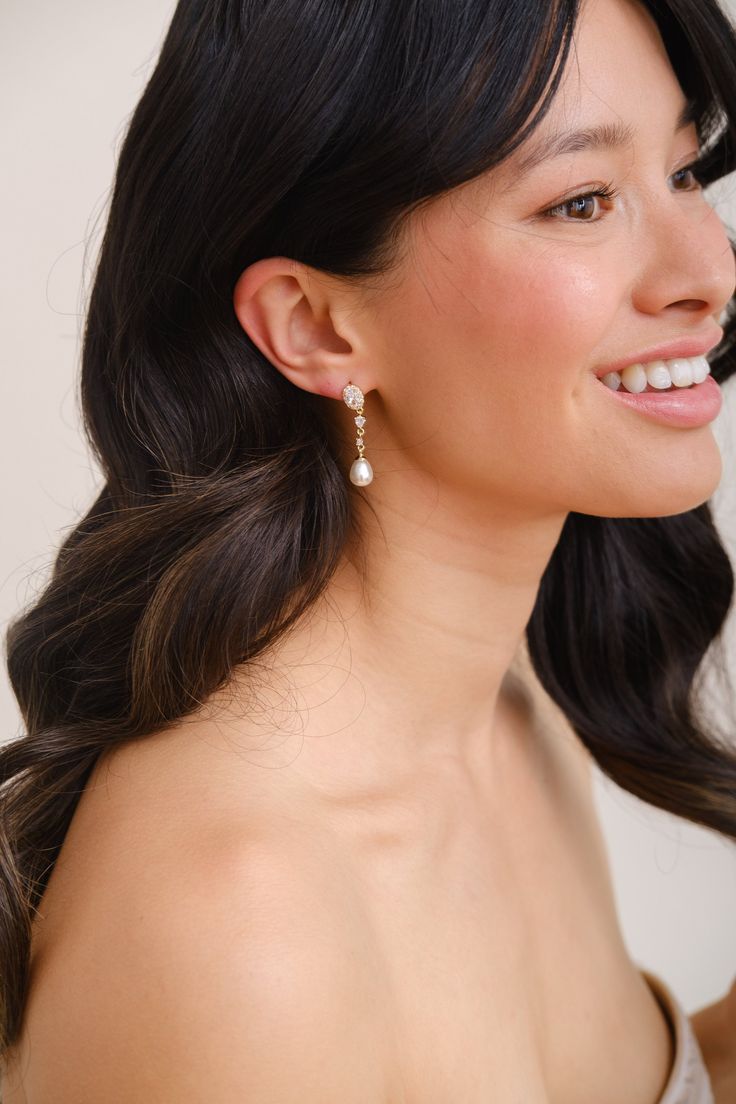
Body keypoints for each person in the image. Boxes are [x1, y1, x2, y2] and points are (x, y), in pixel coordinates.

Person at [2, 0, 736, 1099]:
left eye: (682, 172)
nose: (708, 273)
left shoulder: (503, 709)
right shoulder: (235, 928)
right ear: (315, 327)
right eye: (582, 201)